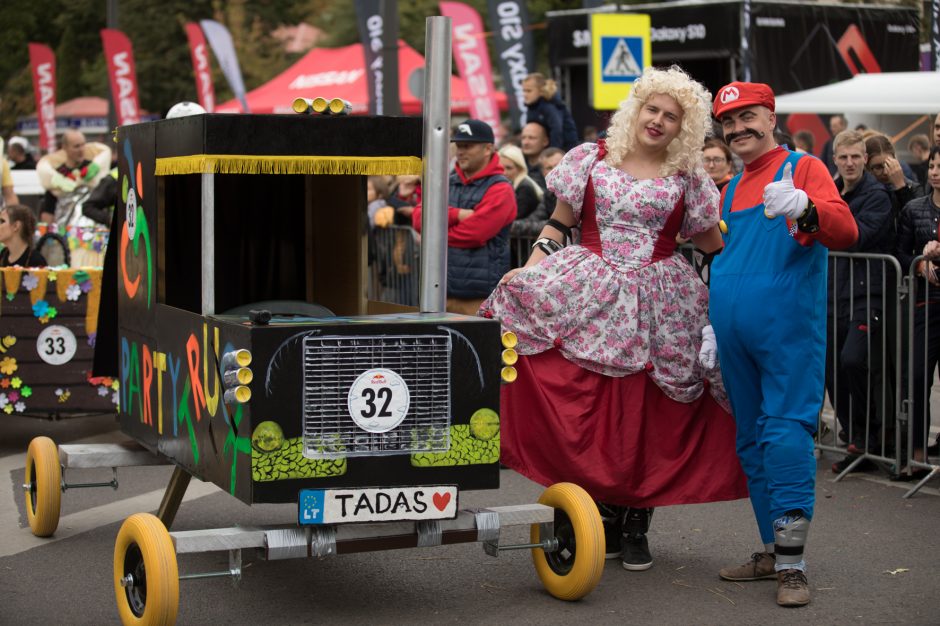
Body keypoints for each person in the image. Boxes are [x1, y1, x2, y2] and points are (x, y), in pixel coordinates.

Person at [480, 66, 748, 574]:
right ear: (637, 108)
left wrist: (740, 296)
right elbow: (559, 224)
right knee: (589, 407)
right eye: (653, 109)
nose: (659, 121)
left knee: (647, 413)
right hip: (590, 290)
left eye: (672, 116)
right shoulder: (590, 159)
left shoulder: (689, 178)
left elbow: (716, 248)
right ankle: (592, 510)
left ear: (683, 128)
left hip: (662, 303)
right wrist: (530, 274)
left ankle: (636, 521)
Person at [704, 82, 857, 607]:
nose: (738, 128)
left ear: (770, 117)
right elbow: (722, 257)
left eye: (747, 117)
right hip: (734, 339)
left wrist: (806, 208)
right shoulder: (727, 188)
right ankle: (774, 548)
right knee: (752, 440)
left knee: (786, 435)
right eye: (728, 122)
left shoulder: (804, 168)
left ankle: (793, 565)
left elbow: (847, 232)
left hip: (789, 335)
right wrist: (710, 320)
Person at [825, 130, 895, 473]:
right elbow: (800, 233)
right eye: (844, 157)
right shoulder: (829, 192)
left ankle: (870, 436)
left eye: (856, 156)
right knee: (830, 370)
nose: (850, 163)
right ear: (835, 159)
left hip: (867, 293)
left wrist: (820, 226)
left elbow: (856, 237)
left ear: (865, 159)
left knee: (852, 359)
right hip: (831, 294)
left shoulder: (878, 196)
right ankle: (855, 438)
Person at [411, 119, 516, 314]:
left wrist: (433, 236)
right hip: (440, 294)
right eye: (459, 146)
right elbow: (418, 218)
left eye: (468, 146)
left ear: (488, 149)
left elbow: (475, 233)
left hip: (480, 297)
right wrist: (457, 214)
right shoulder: (446, 182)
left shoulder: (501, 188)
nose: (460, 151)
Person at [895, 145, 940, 479]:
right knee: (918, 380)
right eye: (933, 165)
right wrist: (920, 263)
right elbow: (899, 253)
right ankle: (917, 456)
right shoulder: (914, 209)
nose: (936, 171)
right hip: (925, 305)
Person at [36, 129, 111, 225]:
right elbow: (48, 212)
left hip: (96, 233)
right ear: (64, 147)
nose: (81, 149)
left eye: (83, 144)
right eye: (76, 146)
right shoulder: (57, 175)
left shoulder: (95, 170)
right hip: (66, 233)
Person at [865, 134, 923, 221]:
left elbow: (917, 222)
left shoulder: (914, 189)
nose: (885, 172)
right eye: (878, 167)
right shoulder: (863, 191)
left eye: (888, 164)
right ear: (867, 167)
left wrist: (901, 188)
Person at [521, 73, 579, 151]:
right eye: (524, 91)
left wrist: (552, 153)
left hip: (564, 151)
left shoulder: (549, 107)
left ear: (541, 91)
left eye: (529, 91)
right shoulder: (532, 106)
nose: (525, 94)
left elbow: (557, 131)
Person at [498, 144, 543, 221]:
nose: (504, 172)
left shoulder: (524, 187)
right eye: (501, 168)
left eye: (509, 168)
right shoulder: (509, 183)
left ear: (519, 168)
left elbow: (515, 218)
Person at [520, 122, 550, 190]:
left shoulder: (552, 167)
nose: (526, 142)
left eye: (531, 138)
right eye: (523, 138)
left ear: (545, 141)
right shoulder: (517, 166)